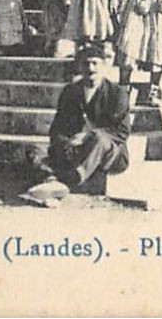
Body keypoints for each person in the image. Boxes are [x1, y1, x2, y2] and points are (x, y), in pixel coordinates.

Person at [21, 41, 133, 206]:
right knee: (35, 149)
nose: (91, 68)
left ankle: (67, 180)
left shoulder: (117, 93)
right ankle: (52, 181)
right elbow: (58, 128)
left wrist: (88, 136)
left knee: (99, 140)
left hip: (109, 153)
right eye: (86, 63)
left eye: (95, 63)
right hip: (76, 149)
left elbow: (122, 132)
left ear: (104, 67)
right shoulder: (71, 91)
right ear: (79, 68)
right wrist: (64, 143)